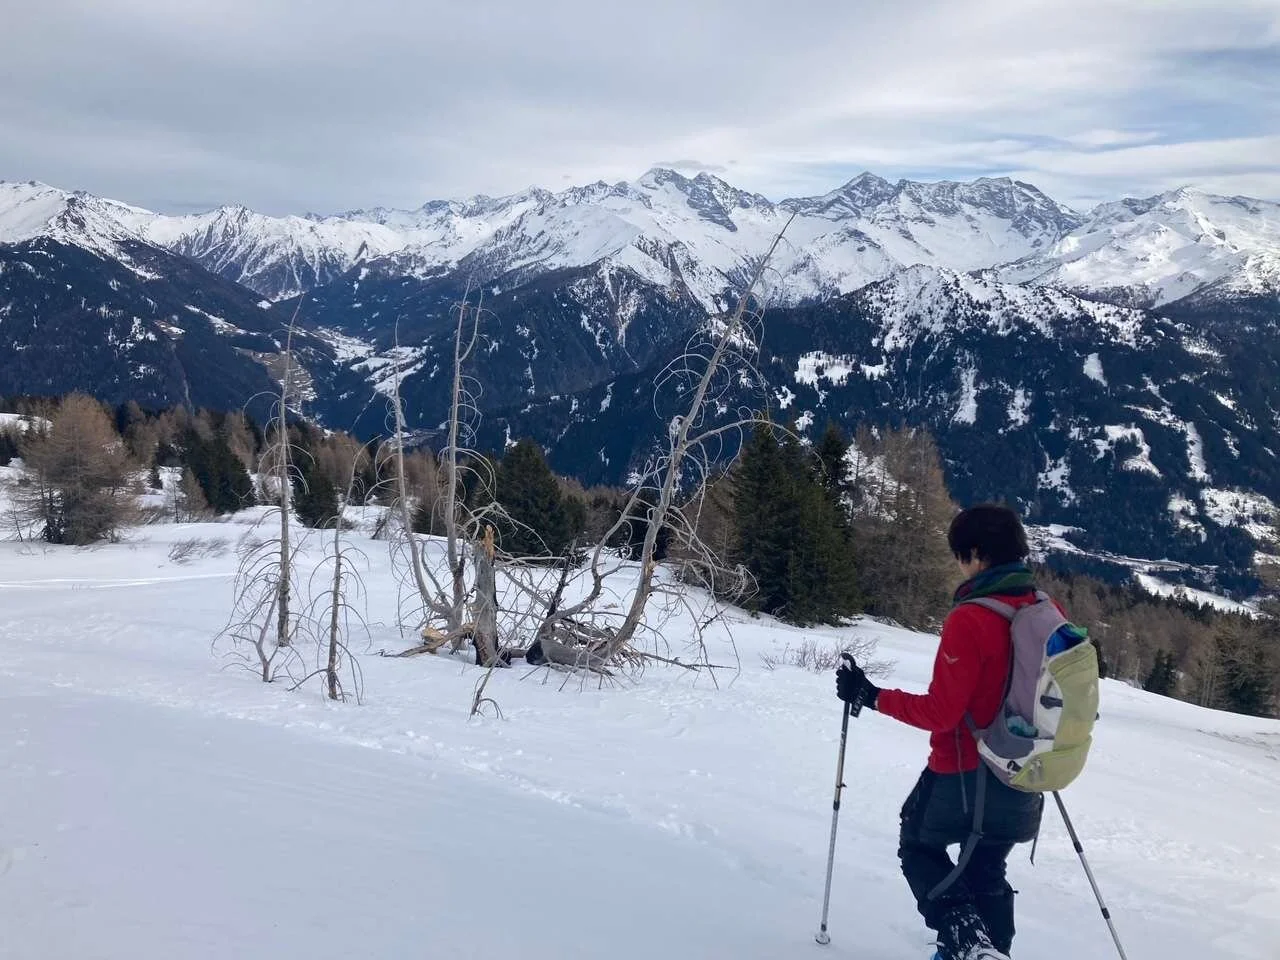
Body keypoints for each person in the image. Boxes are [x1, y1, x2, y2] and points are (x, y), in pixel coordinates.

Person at [836, 504, 1046, 960]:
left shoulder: (970, 619)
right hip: (1027, 773)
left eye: (959, 555)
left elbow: (941, 713)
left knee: (917, 845)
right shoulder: (1044, 610)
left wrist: (871, 696)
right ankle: (992, 952)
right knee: (986, 868)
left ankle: (967, 941)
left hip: (964, 774)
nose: (958, 564)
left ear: (975, 554)